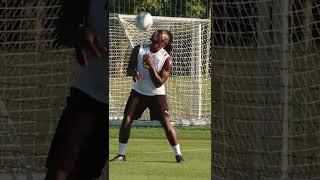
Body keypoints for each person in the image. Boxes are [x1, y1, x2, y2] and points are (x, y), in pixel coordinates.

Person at [45, 0, 108, 179]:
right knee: (62, 169)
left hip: (128, 97)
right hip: (90, 92)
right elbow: (63, 29)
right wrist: (80, 35)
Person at [110, 30, 184, 163]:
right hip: (138, 91)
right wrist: (134, 73)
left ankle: (178, 155)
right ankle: (121, 155)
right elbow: (130, 67)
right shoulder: (139, 49)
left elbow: (158, 83)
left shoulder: (167, 59)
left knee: (166, 124)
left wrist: (150, 65)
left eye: (160, 33)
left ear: (163, 41)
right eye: (157, 31)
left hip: (157, 95)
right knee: (127, 119)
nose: (156, 32)